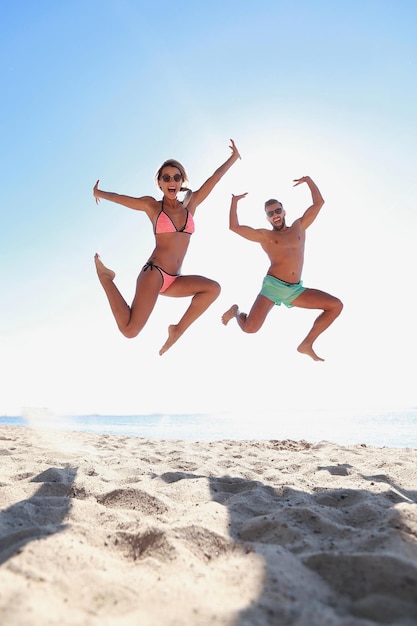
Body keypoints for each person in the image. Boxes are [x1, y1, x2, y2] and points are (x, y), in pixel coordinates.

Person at [93, 139, 240, 355]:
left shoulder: (192, 204)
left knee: (212, 288)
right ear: (160, 183)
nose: (172, 181)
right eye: (166, 177)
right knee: (130, 330)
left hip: (174, 280)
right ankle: (106, 278)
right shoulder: (153, 206)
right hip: (155, 274)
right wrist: (99, 193)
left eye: (177, 177)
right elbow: (120, 198)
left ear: (182, 182)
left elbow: (215, 178)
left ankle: (177, 330)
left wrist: (233, 158)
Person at [221, 176, 343, 361]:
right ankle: (235, 311)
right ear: (267, 218)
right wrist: (234, 202)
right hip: (273, 287)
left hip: (295, 290)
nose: (275, 215)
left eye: (278, 210)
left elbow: (319, 203)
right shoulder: (265, 236)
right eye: (270, 213)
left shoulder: (299, 227)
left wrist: (309, 181)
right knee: (249, 329)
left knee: (335, 305)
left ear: (284, 211)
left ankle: (306, 344)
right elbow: (234, 227)